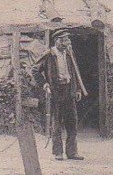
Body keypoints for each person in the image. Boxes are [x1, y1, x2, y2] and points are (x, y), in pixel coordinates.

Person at [34, 30, 86, 161]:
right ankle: (58, 152)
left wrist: (78, 89)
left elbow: (75, 72)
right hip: (56, 91)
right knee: (56, 122)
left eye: (67, 40)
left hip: (69, 90)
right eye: (63, 40)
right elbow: (35, 70)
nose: (65, 43)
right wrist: (44, 84)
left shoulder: (69, 54)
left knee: (72, 122)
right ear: (56, 40)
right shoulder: (49, 54)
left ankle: (72, 152)